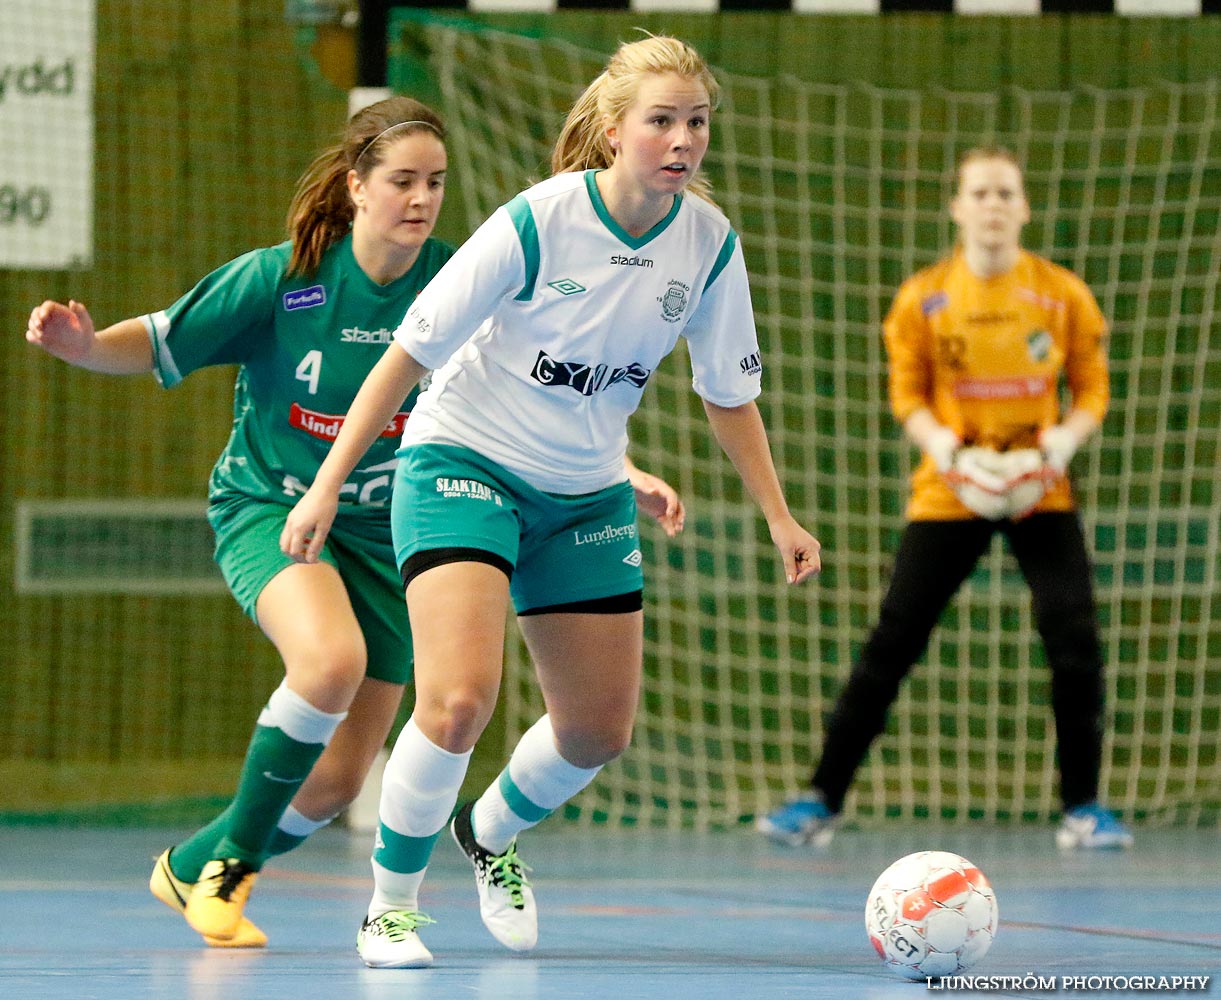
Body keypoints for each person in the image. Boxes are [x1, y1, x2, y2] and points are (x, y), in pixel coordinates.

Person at [24, 94, 687, 950]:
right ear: (356, 186)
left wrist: (620, 471)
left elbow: (542, 392)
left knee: (336, 782)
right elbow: (154, 342)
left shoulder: (463, 274)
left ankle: (190, 862)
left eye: (436, 183)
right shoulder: (283, 278)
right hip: (279, 508)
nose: (420, 198)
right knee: (329, 661)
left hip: (387, 535)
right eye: (402, 180)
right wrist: (83, 346)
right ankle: (227, 872)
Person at [279, 34, 822, 968]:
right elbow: (406, 354)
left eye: (696, 121)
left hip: (583, 492)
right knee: (455, 702)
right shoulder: (537, 222)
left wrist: (778, 514)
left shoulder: (707, 241)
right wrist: (328, 484)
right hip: (465, 464)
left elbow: (727, 391)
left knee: (596, 732)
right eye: (661, 120)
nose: (682, 138)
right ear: (614, 131)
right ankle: (390, 908)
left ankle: (488, 834)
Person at [756, 146, 1133, 853]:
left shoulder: (1061, 296)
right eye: (979, 193)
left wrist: (1051, 451)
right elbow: (906, 394)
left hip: (1037, 488)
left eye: (1004, 193)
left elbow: (1092, 390)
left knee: (1073, 635)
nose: (992, 205)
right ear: (956, 207)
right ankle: (819, 798)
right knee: (894, 638)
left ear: (1022, 207)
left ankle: (1083, 807)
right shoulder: (922, 299)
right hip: (950, 491)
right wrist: (952, 457)